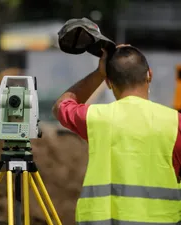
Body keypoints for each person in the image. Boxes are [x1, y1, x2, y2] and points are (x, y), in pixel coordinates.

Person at [52, 45, 181, 225]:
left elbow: (61, 106)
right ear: (149, 74)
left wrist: (99, 72)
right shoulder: (175, 122)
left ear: (108, 82)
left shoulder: (96, 118)